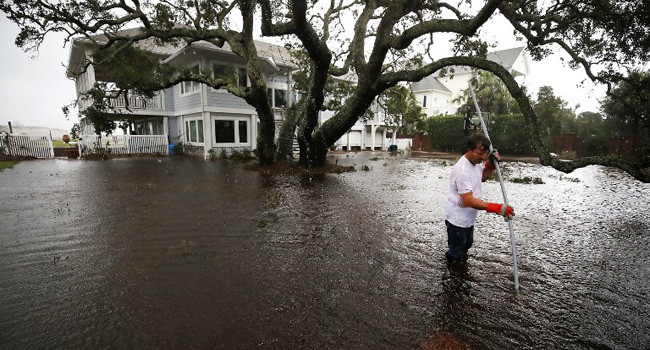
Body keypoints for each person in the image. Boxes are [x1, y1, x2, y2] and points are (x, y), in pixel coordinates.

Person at [443, 133, 514, 261]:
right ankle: (452, 275)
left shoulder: (475, 163)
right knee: (456, 252)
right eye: (480, 154)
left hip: (468, 216)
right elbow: (468, 200)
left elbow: (482, 177)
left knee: (467, 244)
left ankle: (460, 270)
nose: (483, 157)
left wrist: (490, 165)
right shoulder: (463, 171)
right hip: (457, 219)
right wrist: (496, 208)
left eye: (485, 154)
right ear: (469, 150)